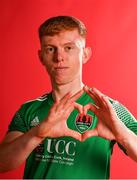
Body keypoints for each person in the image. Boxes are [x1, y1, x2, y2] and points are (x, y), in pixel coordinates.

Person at [0, 16, 137, 179]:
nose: (59, 57)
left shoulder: (110, 109)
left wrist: (122, 134)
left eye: (69, 48)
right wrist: (37, 134)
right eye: (51, 49)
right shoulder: (28, 110)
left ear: (85, 54)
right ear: (41, 56)